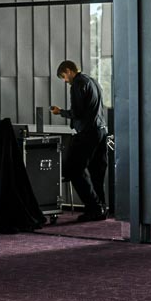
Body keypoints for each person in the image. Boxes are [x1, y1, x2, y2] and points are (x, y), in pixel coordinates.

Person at [48, 60, 109, 222]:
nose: (65, 81)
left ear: (68, 71)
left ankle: (94, 207)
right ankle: (101, 208)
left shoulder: (78, 84)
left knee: (74, 170)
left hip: (88, 133)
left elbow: (77, 112)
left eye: (63, 76)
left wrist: (61, 112)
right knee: (97, 171)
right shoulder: (92, 81)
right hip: (101, 130)